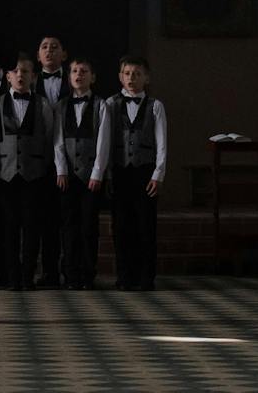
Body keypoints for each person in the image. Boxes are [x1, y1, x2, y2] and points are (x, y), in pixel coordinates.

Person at [0, 55, 56, 289]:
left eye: (26, 71)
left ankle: (27, 276)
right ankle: (9, 277)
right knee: (6, 229)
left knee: (32, 228)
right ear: (8, 76)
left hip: (34, 175)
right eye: (16, 71)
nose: (21, 75)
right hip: (4, 174)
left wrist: (43, 167)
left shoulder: (43, 105)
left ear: (34, 76)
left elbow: (50, 138)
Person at [107, 55, 167, 290]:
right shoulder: (111, 104)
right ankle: (124, 276)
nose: (132, 78)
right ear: (120, 77)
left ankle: (146, 277)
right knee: (121, 226)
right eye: (128, 73)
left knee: (145, 226)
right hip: (121, 172)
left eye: (137, 73)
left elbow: (162, 143)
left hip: (145, 173)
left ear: (147, 78)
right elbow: (106, 143)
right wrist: (108, 174)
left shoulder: (156, 106)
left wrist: (158, 174)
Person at [55, 55, 109, 289]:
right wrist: (61, 170)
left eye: (84, 71)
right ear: (69, 76)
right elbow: (57, 141)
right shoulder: (61, 105)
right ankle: (70, 274)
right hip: (67, 176)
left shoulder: (101, 105)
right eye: (75, 71)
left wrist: (97, 173)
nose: (79, 75)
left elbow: (103, 142)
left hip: (90, 177)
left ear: (93, 77)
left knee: (88, 226)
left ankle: (88, 274)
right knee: (69, 226)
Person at [33, 35, 70, 284]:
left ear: (64, 55)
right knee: (41, 219)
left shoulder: (76, 77)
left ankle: (68, 271)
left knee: (66, 220)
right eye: (44, 47)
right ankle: (46, 272)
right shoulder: (29, 81)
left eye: (55, 47)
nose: (49, 51)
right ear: (38, 56)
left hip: (70, 162)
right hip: (37, 161)